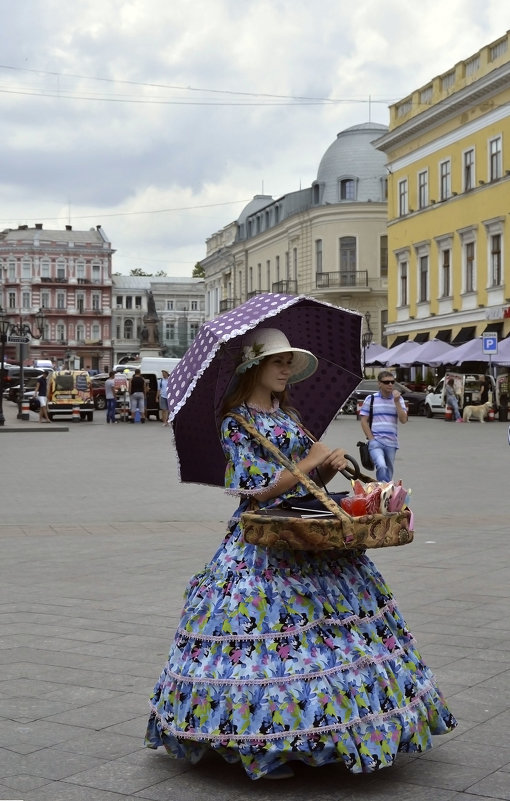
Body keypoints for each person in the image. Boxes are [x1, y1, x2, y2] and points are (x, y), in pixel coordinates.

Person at [145, 328, 456, 781]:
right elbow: (255, 489)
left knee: (343, 633)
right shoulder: (237, 420)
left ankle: (339, 733)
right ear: (254, 367)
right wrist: (309, 464)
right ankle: (266, 745)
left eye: (289, 362)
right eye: (278, 362)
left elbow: (309, 461)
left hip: (309, 529)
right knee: (262, 640)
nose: (286, 370)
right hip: (264, 539)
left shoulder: (288, 416)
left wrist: (327, 463)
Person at [359, 371, 408, 481]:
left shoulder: (399, 400)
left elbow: (404, 420)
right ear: (379, 384)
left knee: (389, 472)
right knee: (381, 465)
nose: (390, 384)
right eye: (386, 382)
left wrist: (397, 402)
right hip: (376, 441)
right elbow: (363, 421)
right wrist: (371, 439)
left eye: (392, 382)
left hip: (392, 442)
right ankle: (382, 489)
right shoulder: (371, 399)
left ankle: (384, 494)